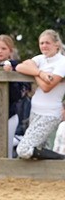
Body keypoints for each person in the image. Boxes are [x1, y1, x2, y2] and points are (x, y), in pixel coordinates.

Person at [13, 29, 65, 160]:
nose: (44, 46)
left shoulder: (62, 62)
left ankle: (61, 158)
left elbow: (47, 87)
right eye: (41, 43)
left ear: (56, 45)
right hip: (35, 110)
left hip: (50, 113)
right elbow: (20, 67)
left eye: (47, 43)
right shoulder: (40, 59)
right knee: (39, 148)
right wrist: (40, 73)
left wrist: (34, 72)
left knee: (23, 150)